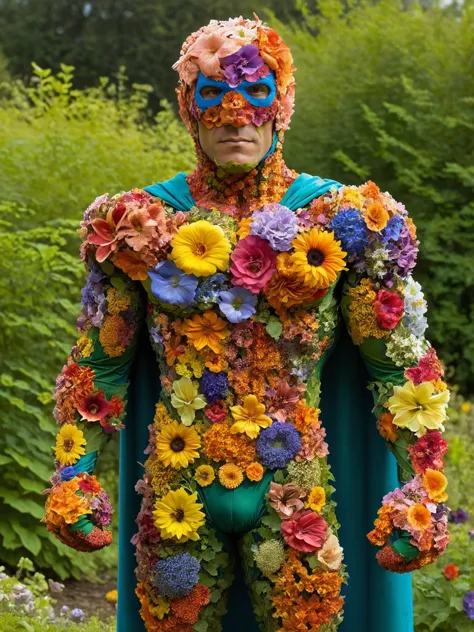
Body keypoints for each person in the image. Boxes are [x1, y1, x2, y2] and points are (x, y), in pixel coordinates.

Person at [43, 16, 451, 632]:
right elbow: (101, 363)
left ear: (280, 105)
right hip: (177, 484)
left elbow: (400, 367)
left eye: (255, 94)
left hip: (294, 486)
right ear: (189, 107)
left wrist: (425, 487)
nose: (235, 115)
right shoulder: (138, 223)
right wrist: (73, 475)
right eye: (212, 96)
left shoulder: (345, 219)